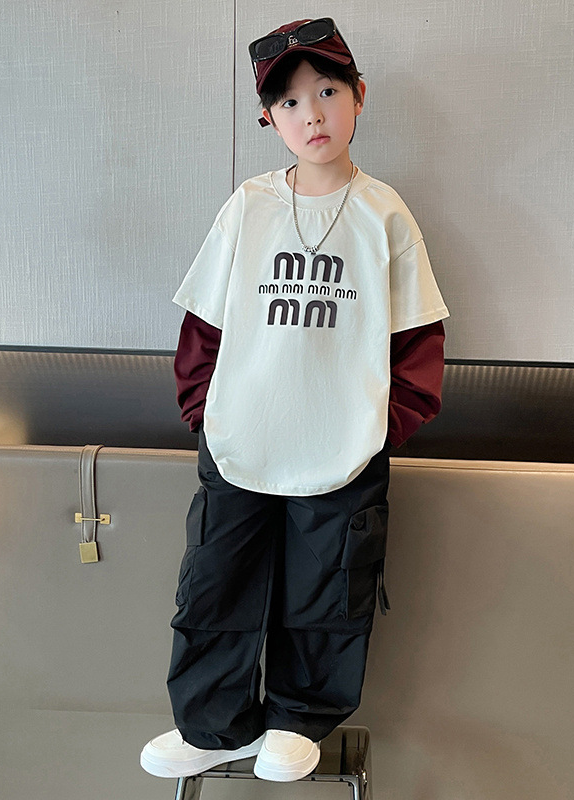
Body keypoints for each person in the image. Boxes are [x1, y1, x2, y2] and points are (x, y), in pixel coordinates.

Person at [140, 17, 449, 783]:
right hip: (241, 438)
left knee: (330, 585)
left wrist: (383, 427)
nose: (312, 114)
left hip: (344, 446)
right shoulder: (248, 206)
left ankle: (297, 720)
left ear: (359, 96)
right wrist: (204, 416)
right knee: (215, 580)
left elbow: (418, 337)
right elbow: (204, 322)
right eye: (289, 102)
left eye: (328, 91)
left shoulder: (384, 213)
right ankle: (213, 724)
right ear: (268, 119)